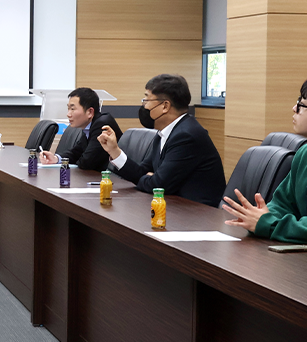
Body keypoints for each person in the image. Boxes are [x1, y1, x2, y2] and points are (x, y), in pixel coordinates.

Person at [97, 74, 225, 206]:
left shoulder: (187, 136)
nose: (144, 106)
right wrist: (115, 151)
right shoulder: (164, 133)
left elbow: (158, 185)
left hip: (196, 215)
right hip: (174, 207)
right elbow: (142, 173)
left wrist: (151, 179)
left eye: (146, 100)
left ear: (165, 106)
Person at [223, 80, 307, 243]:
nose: (294, 109)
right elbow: (283, 203)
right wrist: (262, 216)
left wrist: (269, 224)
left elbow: (271, 223)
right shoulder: (304, 152)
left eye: (302, 104)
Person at [39, 87, 123, 172]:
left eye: (72, 109)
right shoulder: (89, 125)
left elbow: (87, 162)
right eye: (68, 108)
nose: (68, 114)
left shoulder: (102, 125)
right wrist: (56, 159)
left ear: (90, 112)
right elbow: (77, 152)